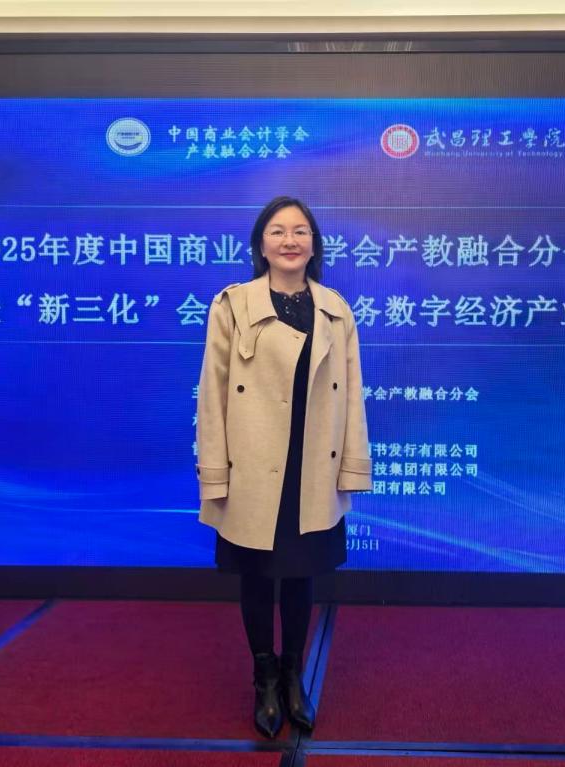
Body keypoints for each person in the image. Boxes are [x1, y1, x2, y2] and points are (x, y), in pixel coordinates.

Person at [194, 196, 372, 738]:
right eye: (277, 230)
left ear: (314, 244)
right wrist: (215, 472)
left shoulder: (336, 310)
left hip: (312, 462)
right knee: (255, 577)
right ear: (260, 244)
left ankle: (294, 675)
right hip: (253, 463)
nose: (289, 240)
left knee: (300, 576)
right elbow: (212, 394)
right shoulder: (232, 305)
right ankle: (264, 677)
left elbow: (352, 396)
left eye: (300, 231)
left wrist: (352, 469)